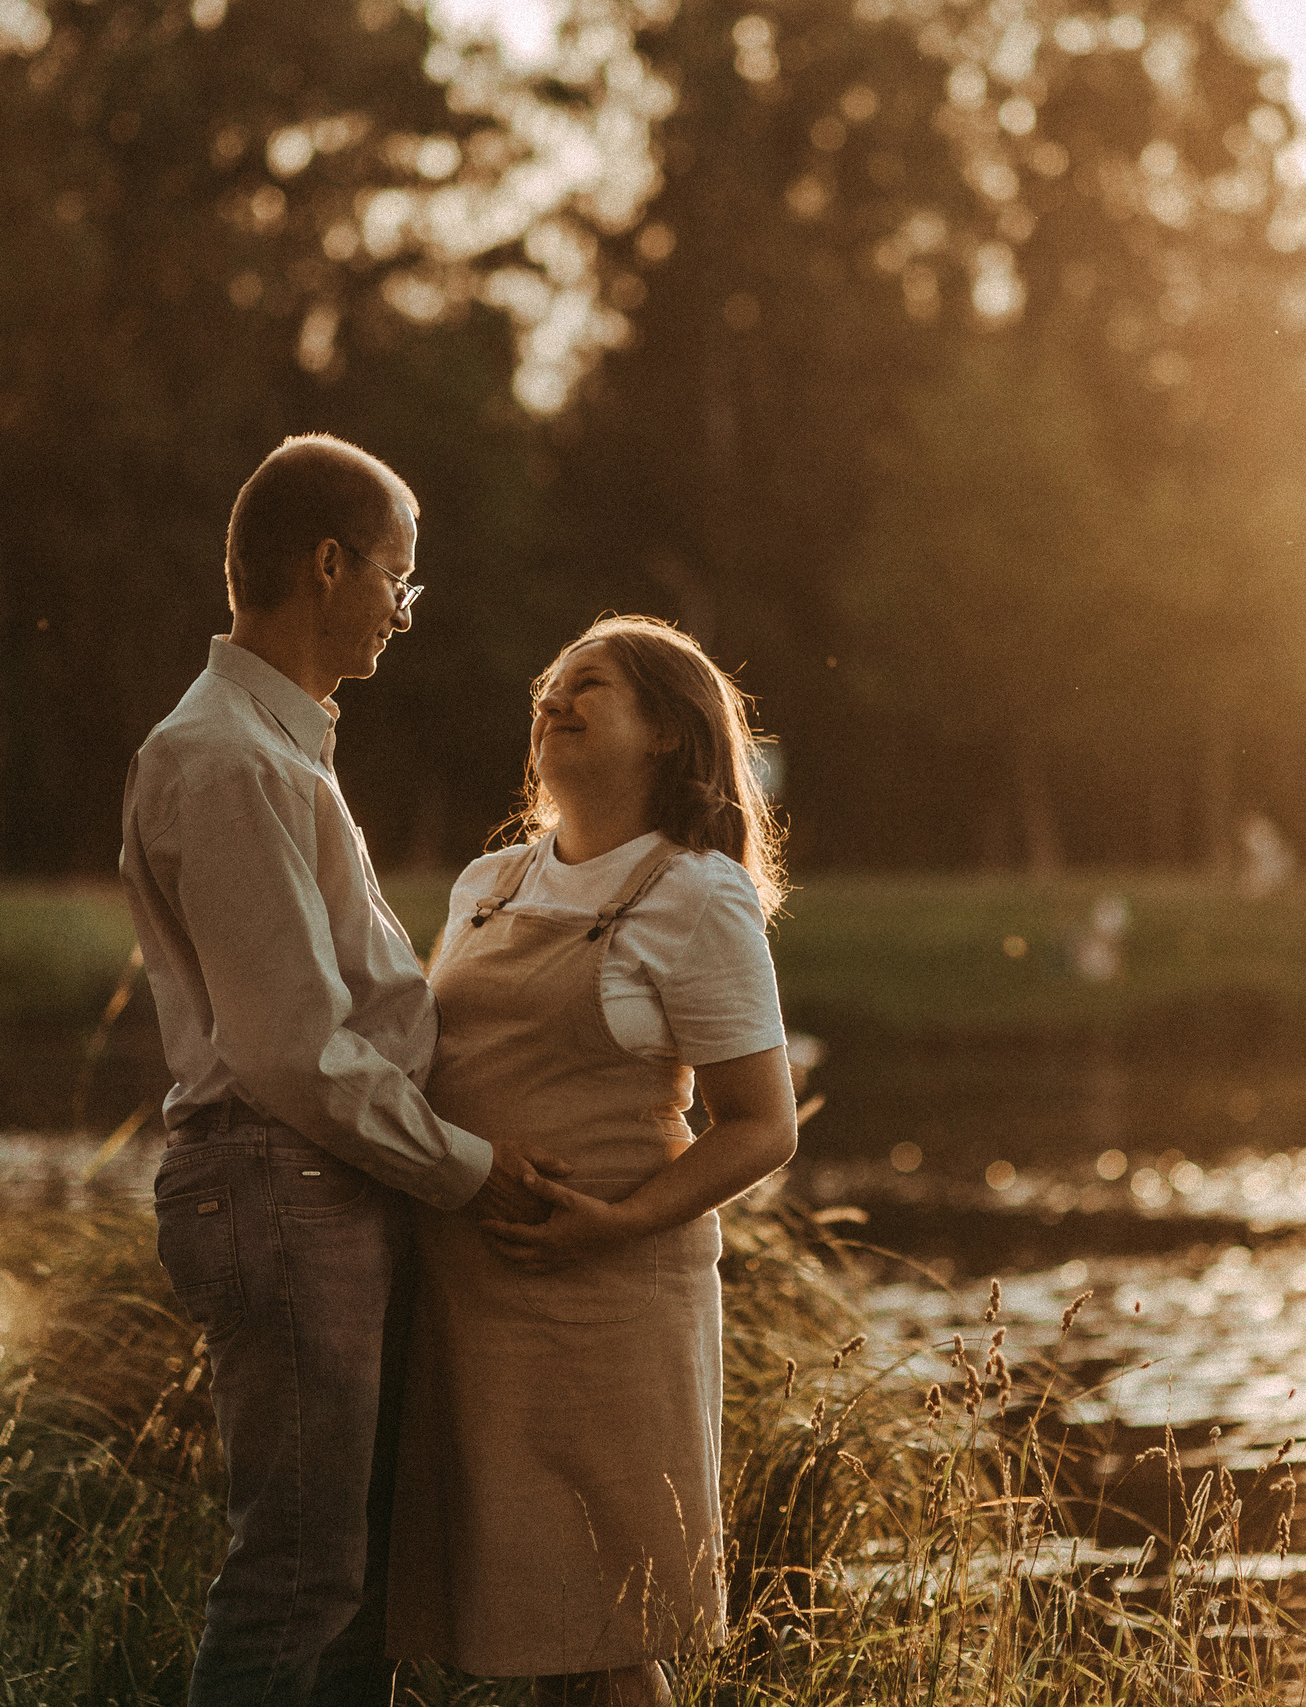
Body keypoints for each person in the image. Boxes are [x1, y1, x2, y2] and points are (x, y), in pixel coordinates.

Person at [120, 433, 563, 1707]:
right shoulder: (225, 759)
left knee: (350, 1586)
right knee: (301, 1577)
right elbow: (295, 1053)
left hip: (315, 1185)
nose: (404, 612)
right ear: (329, 566)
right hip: (278, 1182)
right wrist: (467, 1172)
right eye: (398, 580)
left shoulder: (282, 747)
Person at [389, 615, 800, 1706]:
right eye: (550, 687)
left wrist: (613, 1224)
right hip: (468, 1293)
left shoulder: (695, 894)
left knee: (609, 1635)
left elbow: (763, 1124)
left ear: (667, 731)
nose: (555, 701)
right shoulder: (487, 881)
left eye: (591, 685)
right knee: (522, 1627)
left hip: (607, 1297)